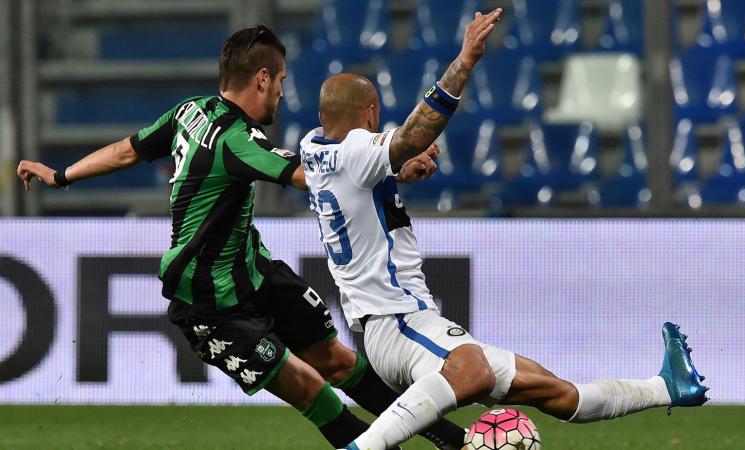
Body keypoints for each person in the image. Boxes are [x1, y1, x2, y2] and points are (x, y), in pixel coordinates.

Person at [17, 25, 469, 450]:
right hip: (209, 305)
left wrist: (60, 175)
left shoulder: (189, 112)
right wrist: (392, 163)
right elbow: (311, 174)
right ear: (262, 78)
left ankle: (455, 441)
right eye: (281, 81)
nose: (282, 92)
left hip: (254, 271)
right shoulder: (238, 138)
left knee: (337, 361)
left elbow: (128, 150)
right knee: (311, 387)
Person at [298, 9, 709, 450]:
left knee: (552, 389)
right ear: (371, 112)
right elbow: (413, 135)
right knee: (471, 370)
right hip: (396, 319)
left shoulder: (314, 148)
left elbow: (363, 175)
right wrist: (465, 61)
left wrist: (396, 171)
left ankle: (667, 387)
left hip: (394, 323)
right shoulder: (360, 148)